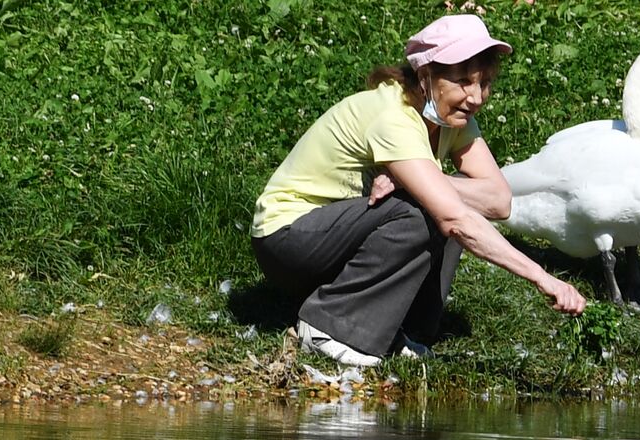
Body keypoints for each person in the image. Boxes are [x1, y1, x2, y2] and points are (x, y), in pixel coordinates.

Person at [250, 14, 585, 367]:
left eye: (484, 82)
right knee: (427, 211)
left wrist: (428, 179)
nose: (476, 97)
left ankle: (405, 331)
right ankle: (328, 327)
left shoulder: (452, 118)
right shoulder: (394, 116)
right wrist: (543, 278)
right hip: (286, 240)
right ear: (425, 76)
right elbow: (456, 218)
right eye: (462, 81)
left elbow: (498, 200)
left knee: (436, 200)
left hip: (337, 239)